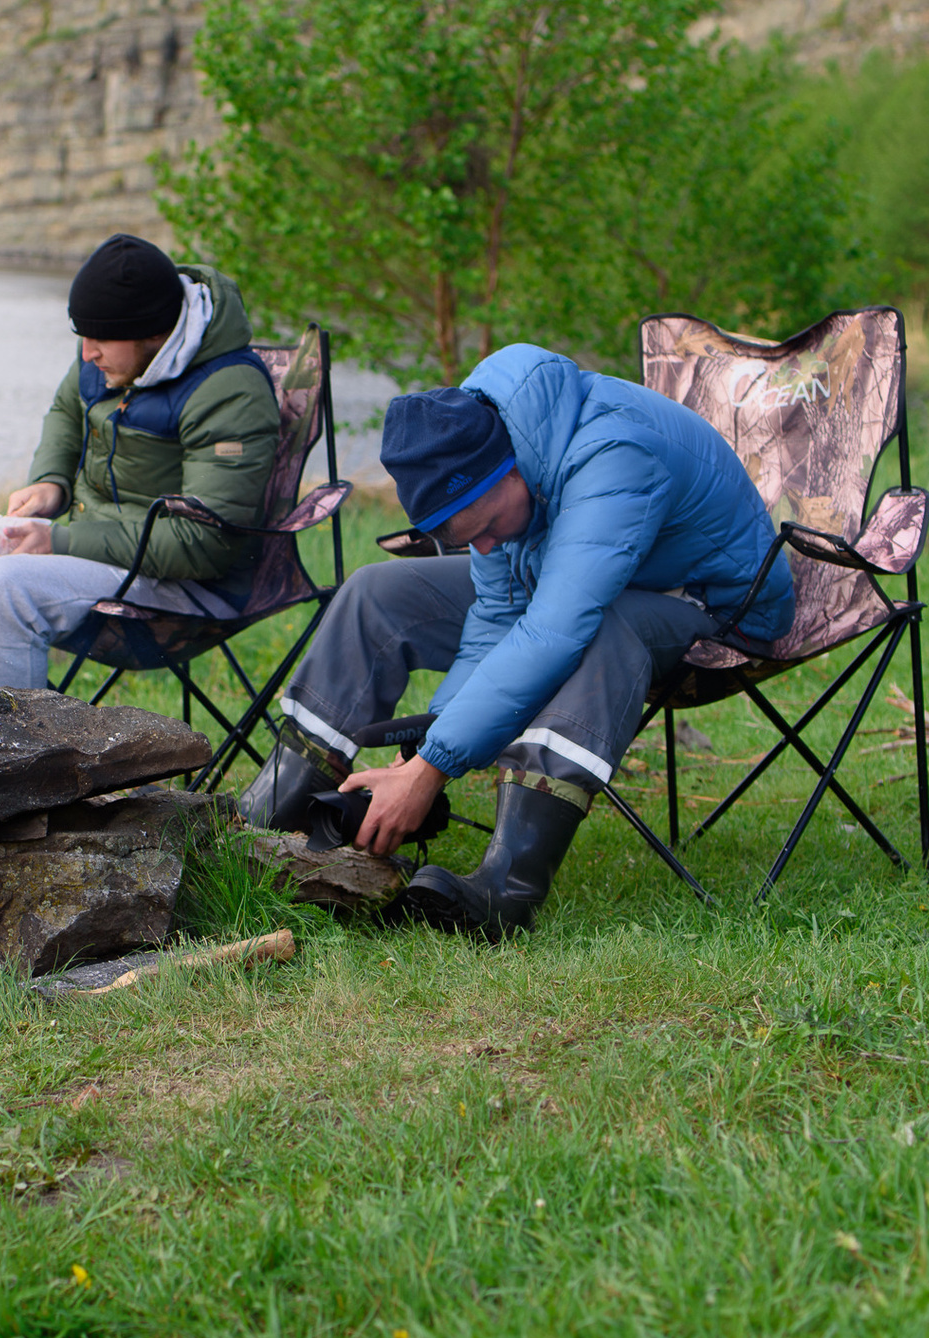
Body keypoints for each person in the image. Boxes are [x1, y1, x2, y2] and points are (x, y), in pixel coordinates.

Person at [240, 343, 794, 939]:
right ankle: (276, 811)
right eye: (467, 539)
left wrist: (432, 771)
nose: (483, 547)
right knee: (377, 592)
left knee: (601, 629)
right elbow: (498, 614)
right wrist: (424, 749)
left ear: (508, 471)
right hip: (601, 578)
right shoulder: (488, 437)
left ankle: (508, 887)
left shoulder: (613, 456)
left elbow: (555, 631)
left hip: (714, 606)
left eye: (485, 529)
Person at [0, 234, 281, 691]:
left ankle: (6, 740)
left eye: (101, 339)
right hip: (98, 552)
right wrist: (51, 481)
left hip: (188, 588)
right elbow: (67, 411)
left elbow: (202, 544)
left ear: (154, 333)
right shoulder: (110, 355)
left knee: (1, 589)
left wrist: (62, 540)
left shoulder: (230, 392)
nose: (87, 353)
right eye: (82, 336)